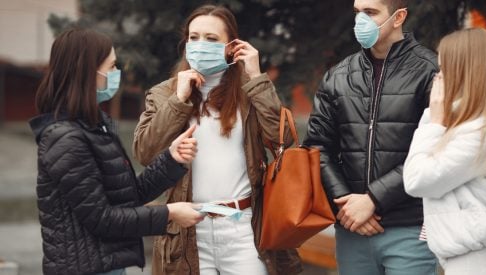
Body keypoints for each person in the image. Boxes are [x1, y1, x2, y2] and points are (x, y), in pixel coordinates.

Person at [132, 4, 301, 275]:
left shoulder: (249, 90)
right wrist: (179, 100)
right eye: (194, 37)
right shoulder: (165, 93)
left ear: (231, 46)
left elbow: (282, 139)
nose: (200, 45)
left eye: (211, 39)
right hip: (188, 230)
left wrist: (257, 77)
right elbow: (144, 151)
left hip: (243, 227)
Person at [29, 28, 204, 275]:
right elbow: (103, 219)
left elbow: (128, 198)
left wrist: (170, 159)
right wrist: (170, 213)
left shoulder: (93, 126)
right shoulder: (65, 138)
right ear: (87, 72)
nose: (116, 74)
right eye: (110, 67)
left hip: (107, 266)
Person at [303, 0, 439, 274]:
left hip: (410, 229)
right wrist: (347, 203)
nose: (360, 21)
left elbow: (436, 150)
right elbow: (317, 147)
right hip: (352, 230)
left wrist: (373, 200)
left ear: (398, 17)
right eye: (357, 12)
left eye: (371, 12)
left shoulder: (430, 71)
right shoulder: (338, 76)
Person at [403, 28, 486, 275]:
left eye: (443, 70)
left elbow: (416, 180)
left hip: (476, 262)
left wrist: (434, 122)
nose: (437, 78)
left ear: (463, 72)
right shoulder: (475, 126)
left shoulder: (480, 133)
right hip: (469, 259)